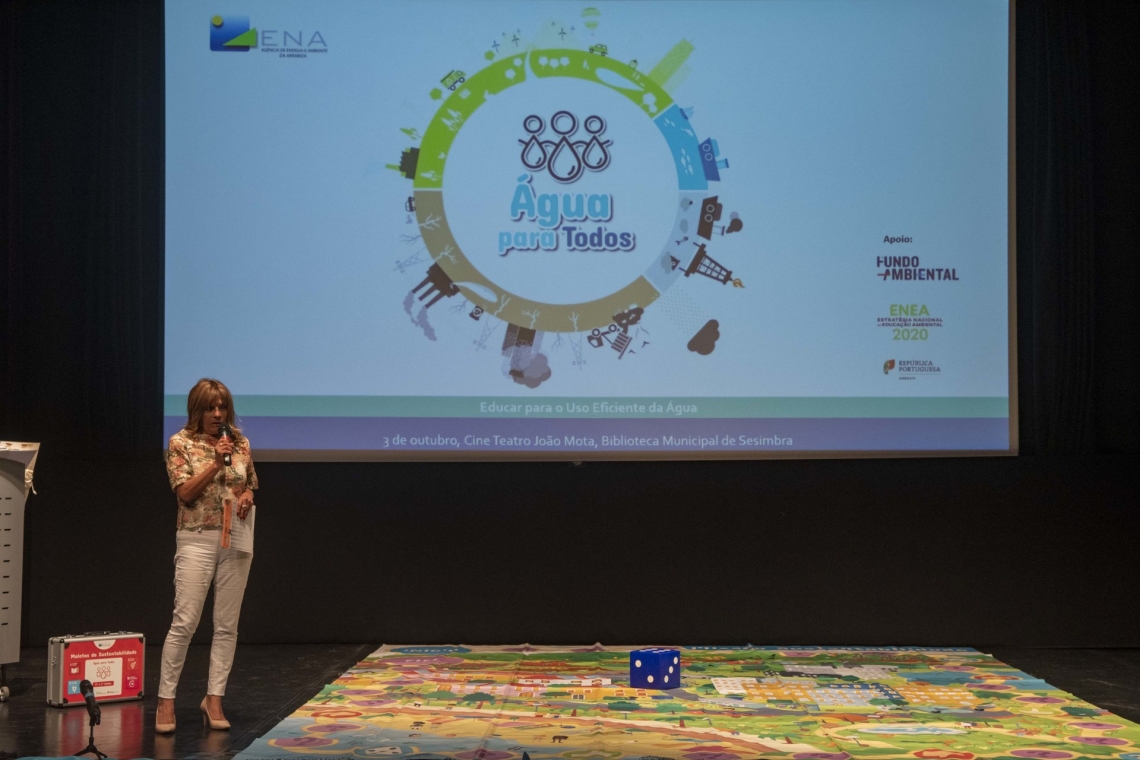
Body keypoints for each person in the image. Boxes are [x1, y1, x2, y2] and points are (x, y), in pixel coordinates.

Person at [156, 378, 258, 733]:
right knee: (185, 621)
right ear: (196, 410)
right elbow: (184, 493)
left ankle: (214, 699)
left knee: (227, 625)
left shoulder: (240, 443)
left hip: (236, 539)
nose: (218, 414)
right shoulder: (180, 443)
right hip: (197, 538)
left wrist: (247, 496)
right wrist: (215, 464)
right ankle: (166, 701)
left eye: (223, 407)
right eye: (210, 408)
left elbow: (248, 484)